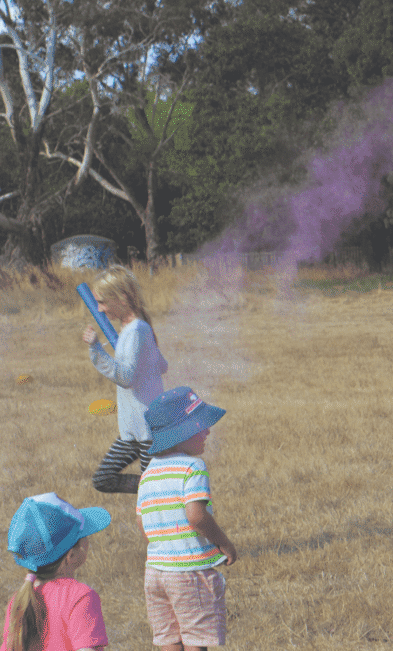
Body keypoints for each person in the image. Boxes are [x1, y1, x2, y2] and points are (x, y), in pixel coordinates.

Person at [137, 386, 237, 651]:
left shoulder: (148, 473)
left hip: (155, 572)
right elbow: (196, 515)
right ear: (181, 433)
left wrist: (165, 547)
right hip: (189, 572)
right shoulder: (193, 467)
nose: (207, 431)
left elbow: (141, 522)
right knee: (195, 639)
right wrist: (223, 542)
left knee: (169, 639)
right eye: (200, 426)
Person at [82, 265, 169, 494]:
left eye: (102, 302)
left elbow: (125, 377)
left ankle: (158, 493)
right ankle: (154, 489)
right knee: (103, 479)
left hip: (149, 432)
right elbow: (162, 365)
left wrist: (96, 350)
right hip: (132, 431)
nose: (99, 309)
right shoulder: (134, 329)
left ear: (121, 298)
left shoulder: (136, 330)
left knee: (153, 499)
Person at [2, 493, 111, 651]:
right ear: (71, 556)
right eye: (83, 535)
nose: (87, 540)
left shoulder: (18, 601)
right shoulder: (80, 597)